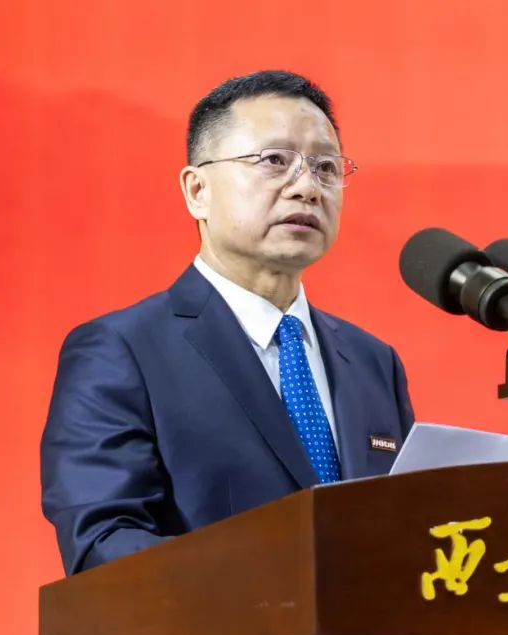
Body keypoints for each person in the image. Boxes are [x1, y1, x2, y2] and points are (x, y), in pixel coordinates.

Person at [41, 70, 414, 575]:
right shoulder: (122, 350)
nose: (307, 188)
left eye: (326, 167)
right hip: (212, 628)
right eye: (274, 161)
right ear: (198, 190)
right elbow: (104, 546)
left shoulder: (373, 362)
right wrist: (280, 588)